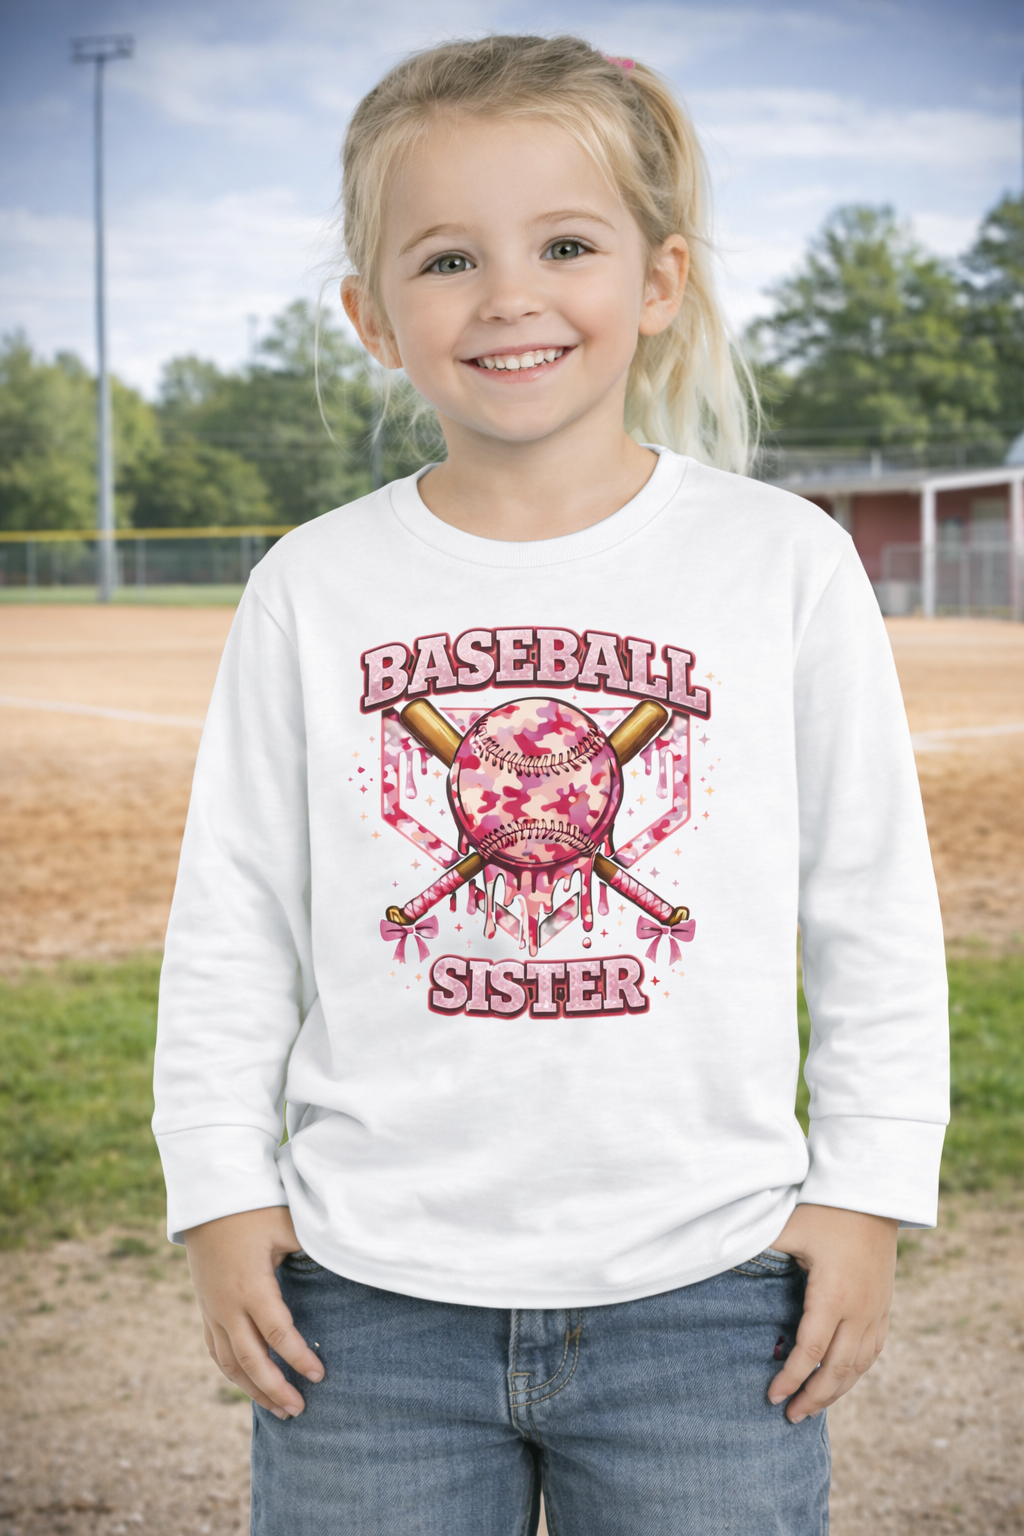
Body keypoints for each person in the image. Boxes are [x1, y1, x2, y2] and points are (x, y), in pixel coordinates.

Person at [153, 34, 949, 1536]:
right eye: (447, 258)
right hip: (366, 1298)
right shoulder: (311, 587)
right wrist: (216, 1191)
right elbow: (235, 919)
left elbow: (871, 904)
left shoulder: (783, 563)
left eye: (564, 244)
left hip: (709, 1297)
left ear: (657, 283)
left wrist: (866, 1190)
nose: (509, 295)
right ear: (371, 318)